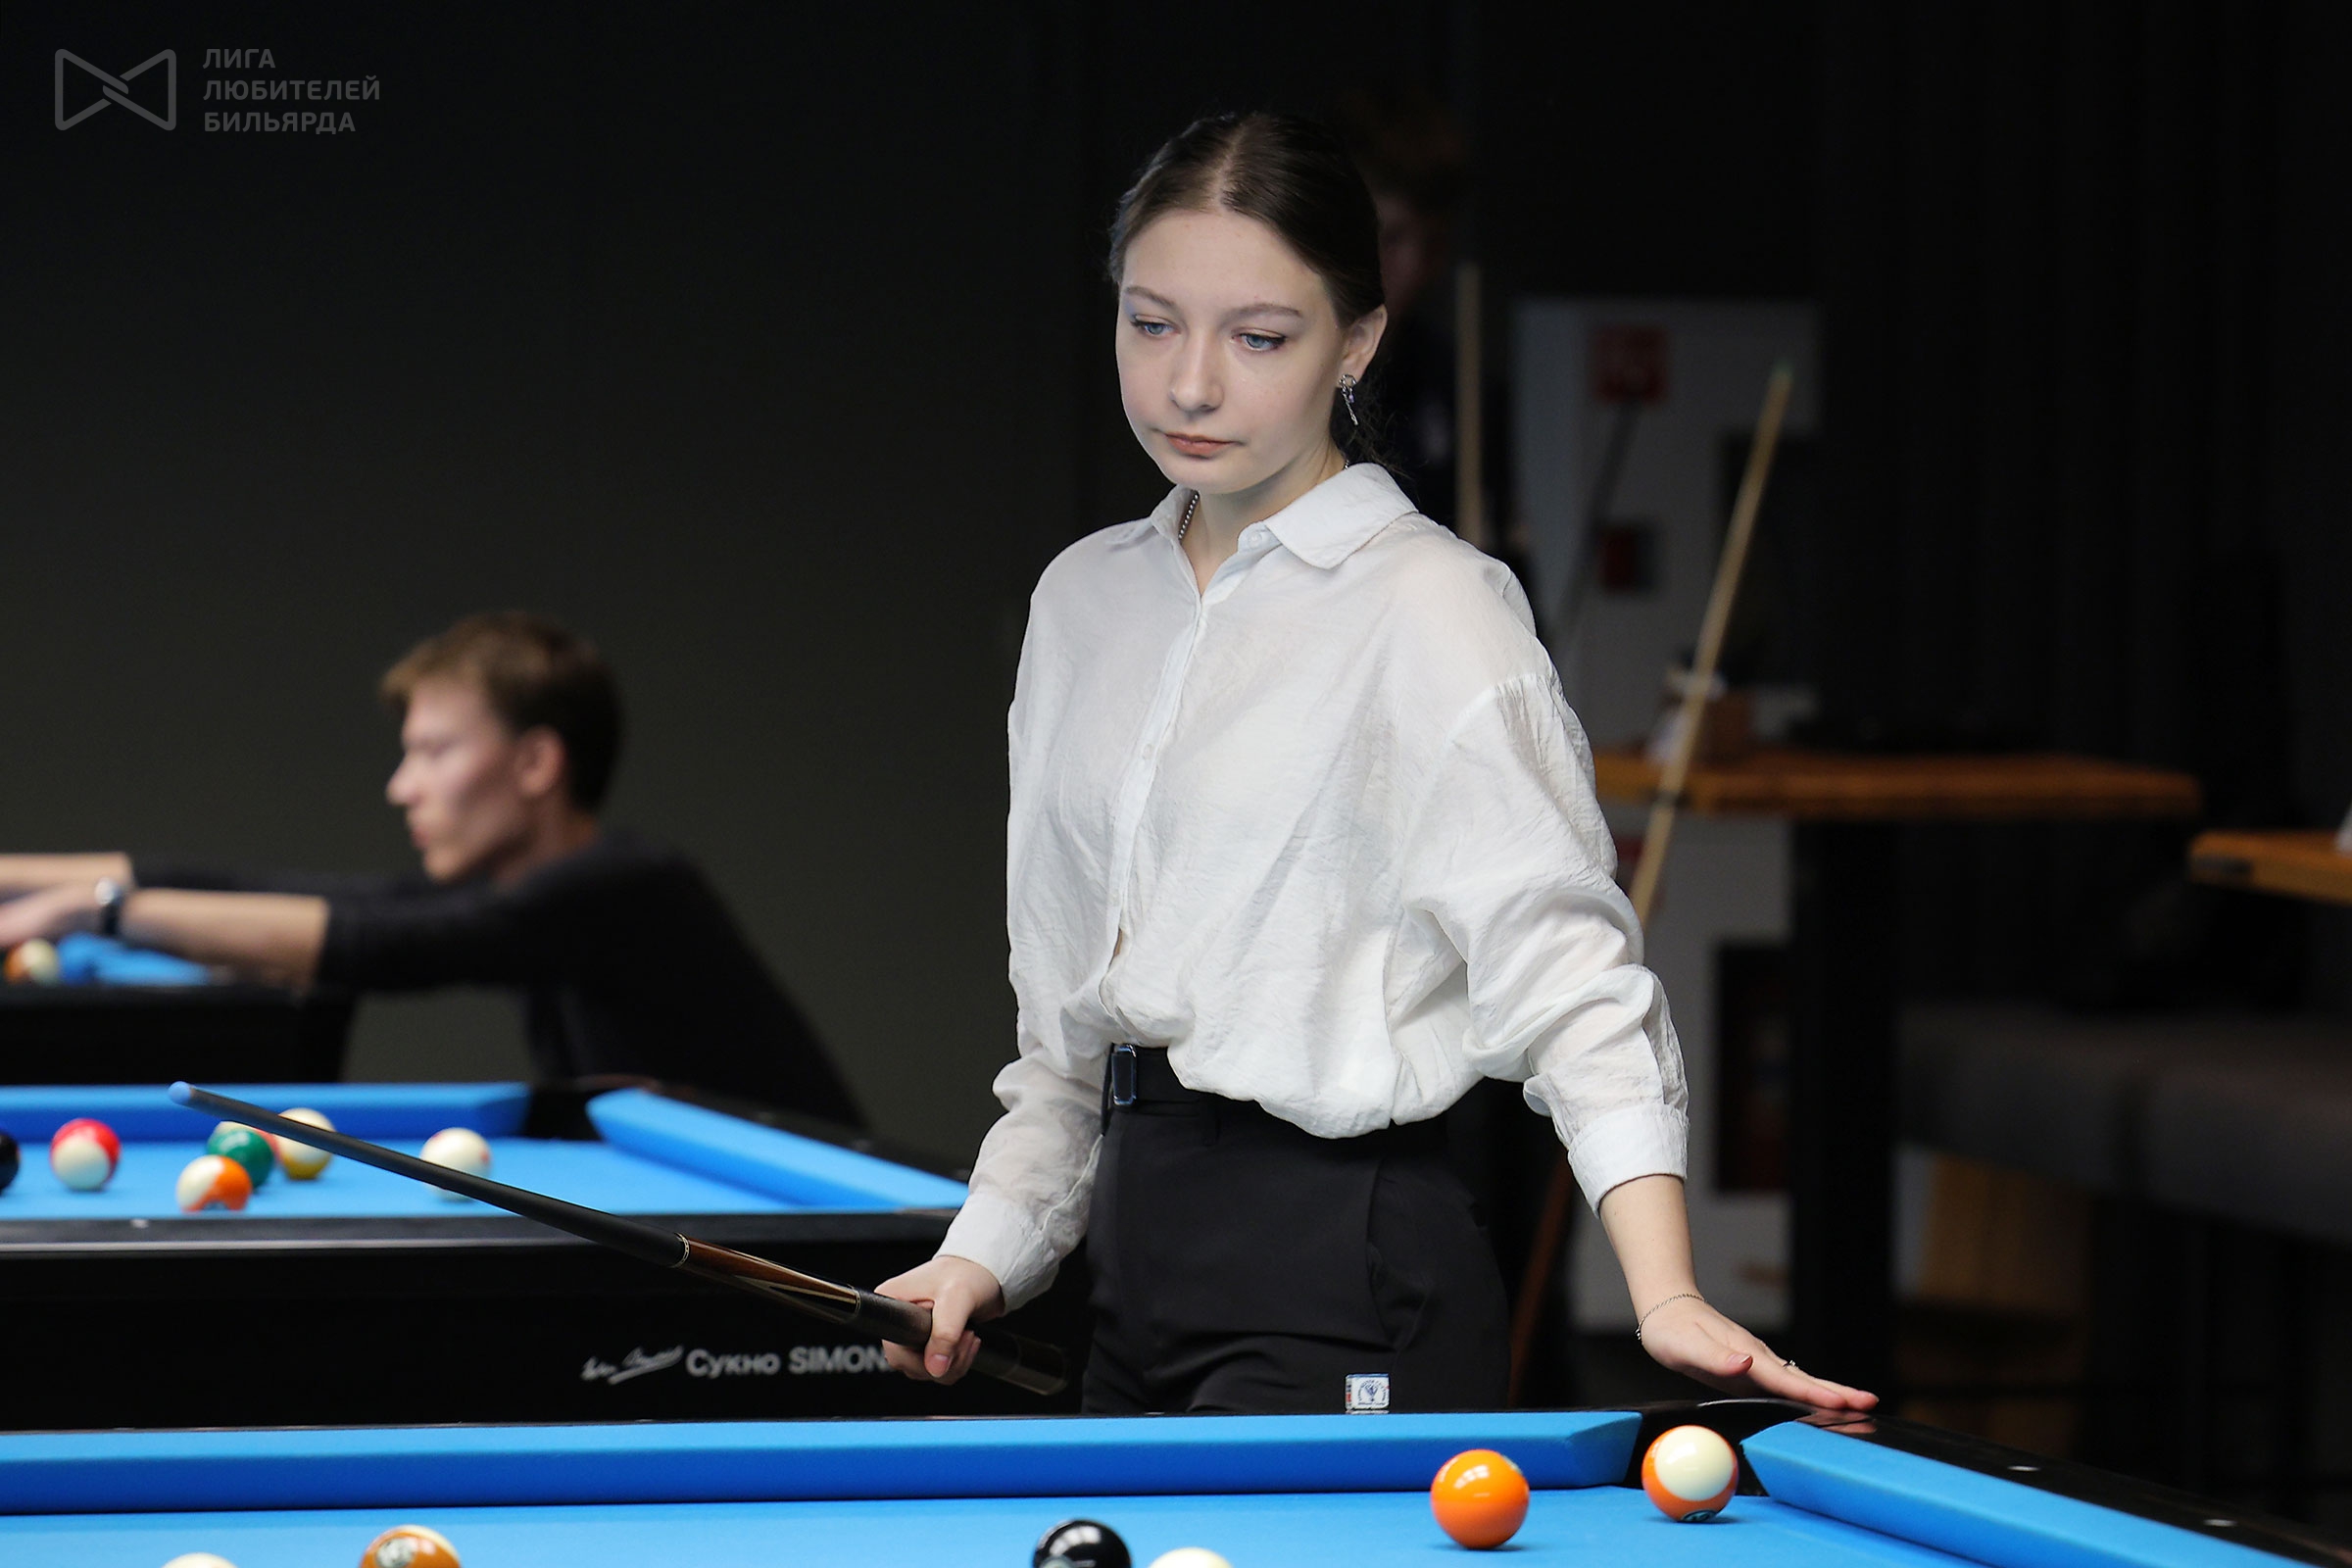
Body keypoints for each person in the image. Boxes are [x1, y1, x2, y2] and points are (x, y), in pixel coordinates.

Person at [877, 113, 1877, 1414]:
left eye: (1259, 337)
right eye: (1152, 322)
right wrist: (980, 1254)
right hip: (1129, 1271)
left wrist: (1666, 1290)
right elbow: (1070, 1041)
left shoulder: (1433, 606)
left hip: (1342, 1267)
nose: (1191, 383)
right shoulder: (1083, 602)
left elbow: (1571, 977)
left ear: (1355, 342)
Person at [0, 612, 861, 1126]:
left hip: (842, 1246)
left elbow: (385, 944)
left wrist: (99, 910)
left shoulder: (627, 884)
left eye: (434, 752)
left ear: (535, 764)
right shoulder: (525, 891)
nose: (401, 787)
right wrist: (33, 882)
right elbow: (308, 898)